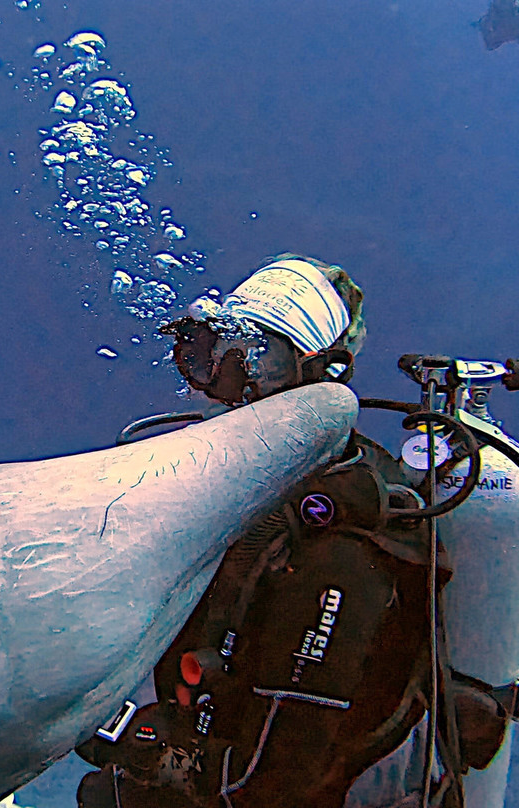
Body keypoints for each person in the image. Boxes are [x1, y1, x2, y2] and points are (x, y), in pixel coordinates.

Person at [74, 254, 512, 808]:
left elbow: (278, 785)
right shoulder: (238, 510)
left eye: (265, 363)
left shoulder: (340, 554)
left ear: (322, 380)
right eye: (215, 356)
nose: (234, 387)